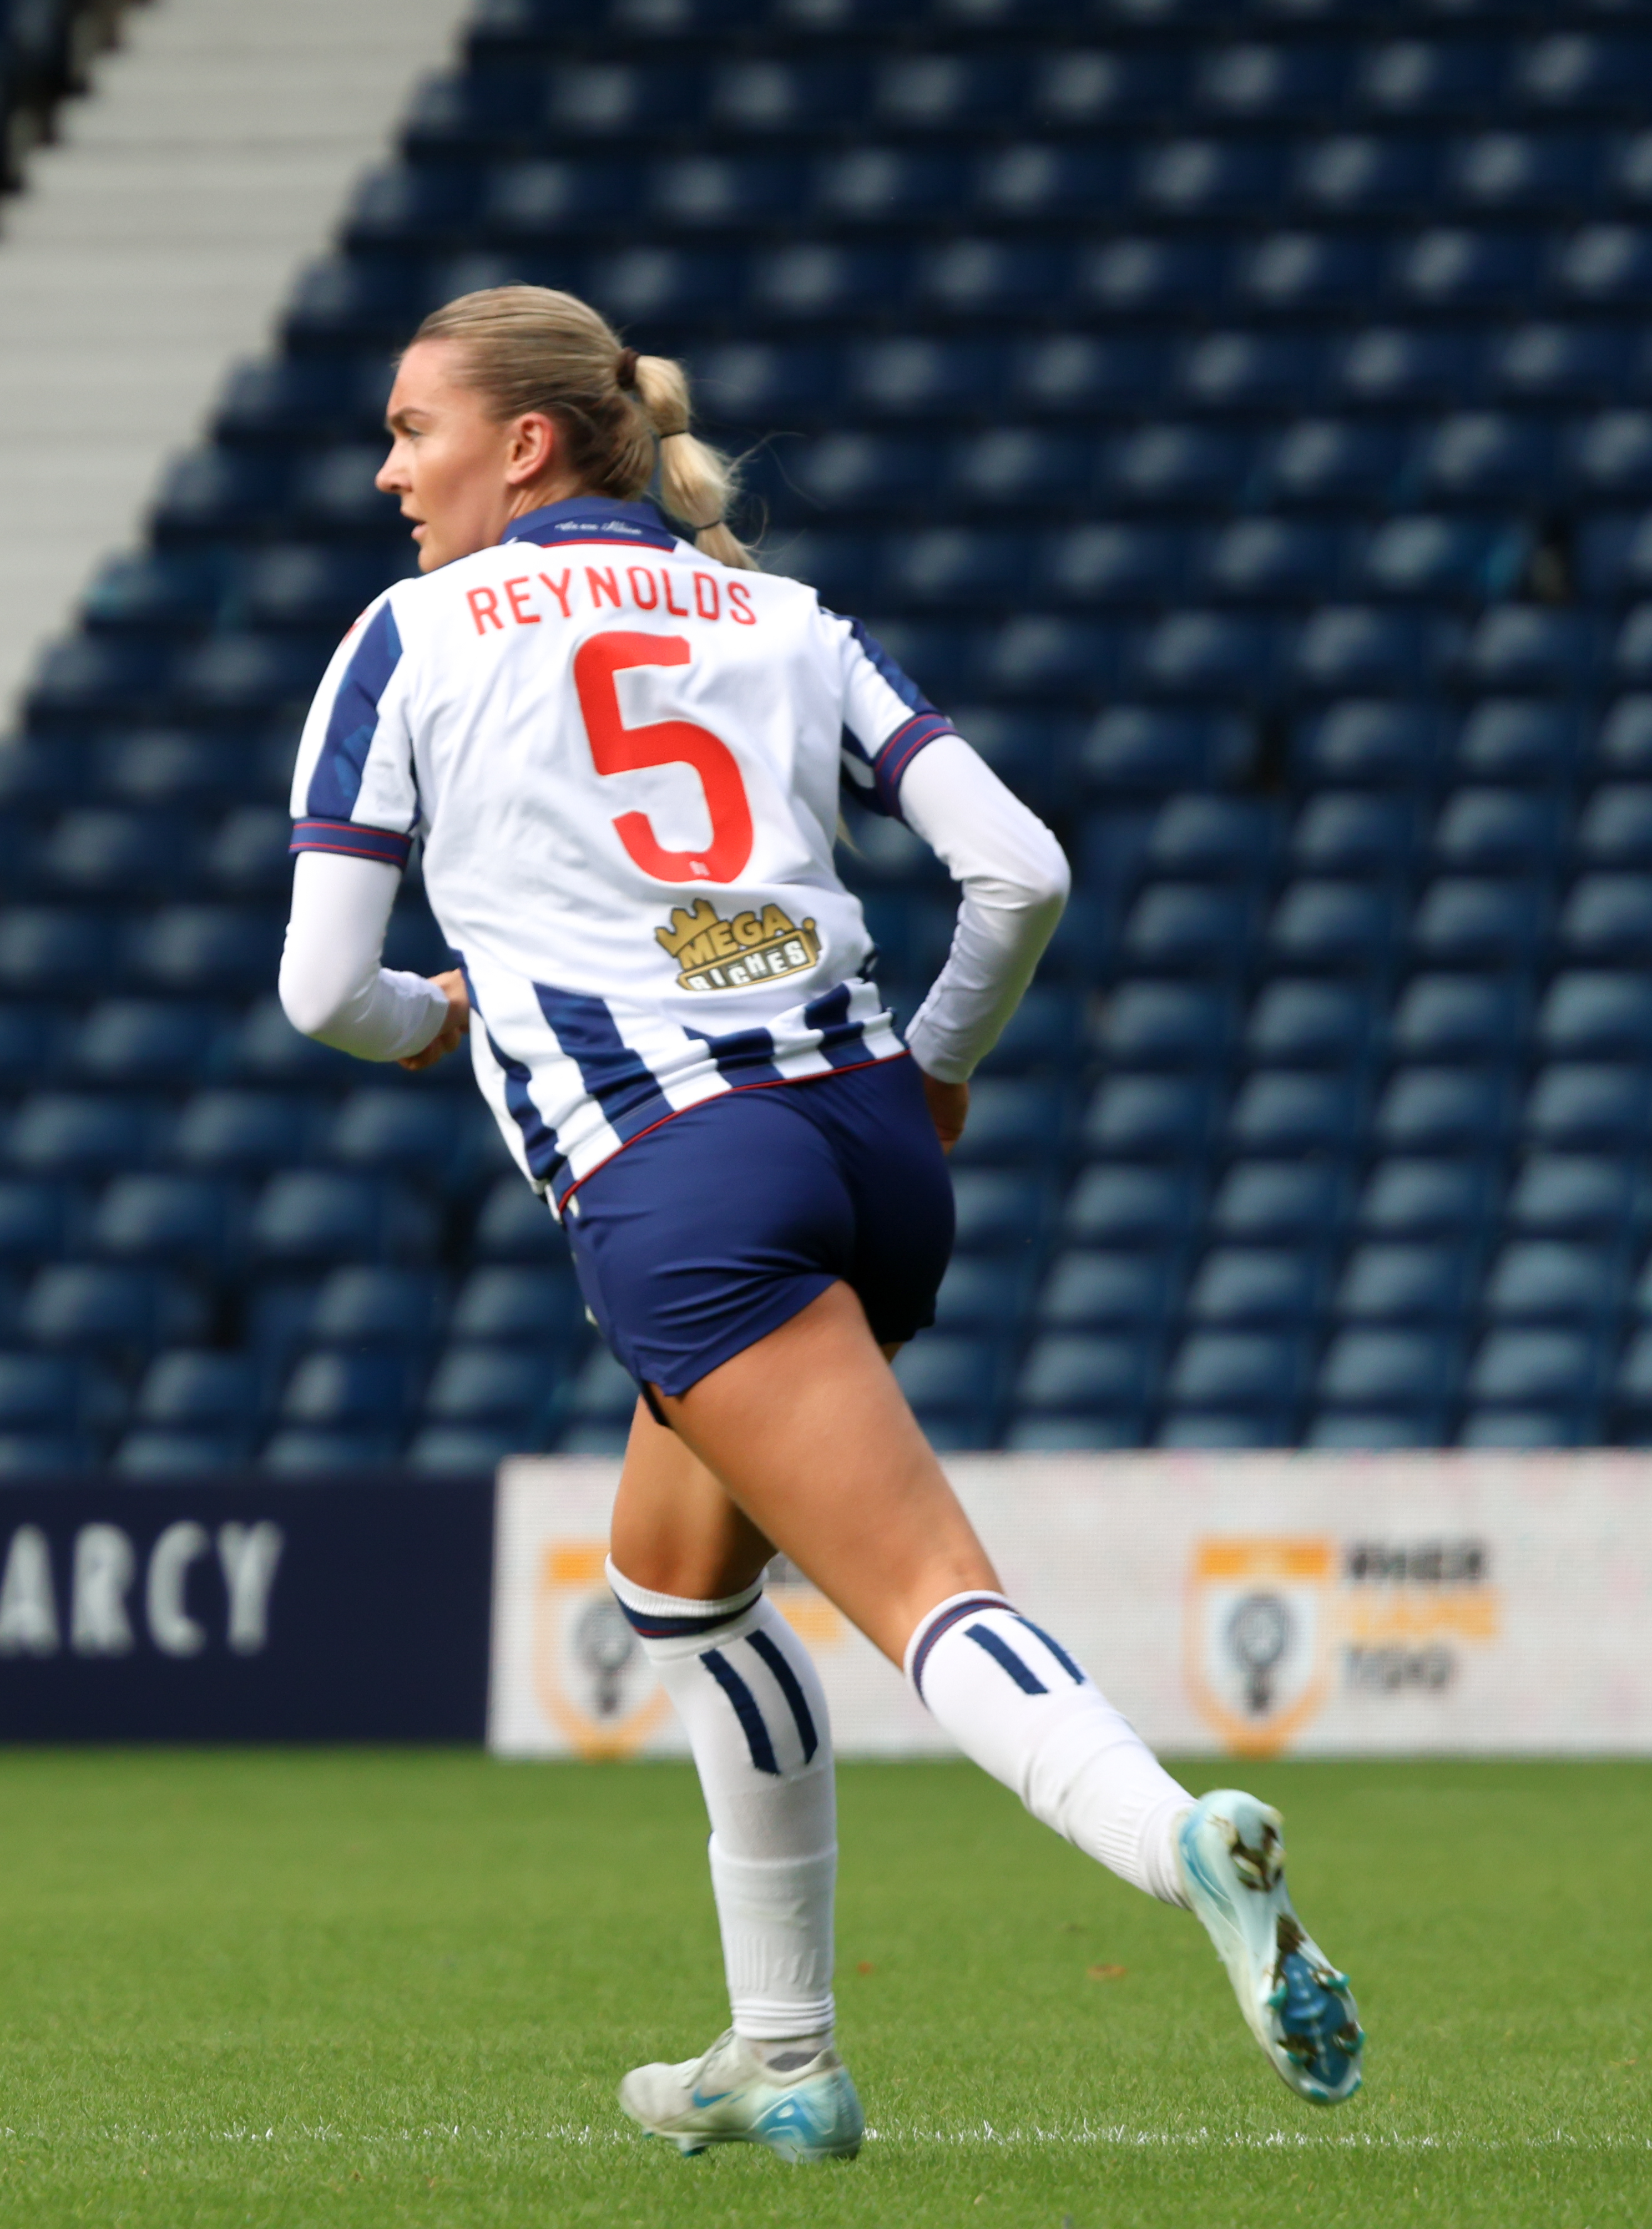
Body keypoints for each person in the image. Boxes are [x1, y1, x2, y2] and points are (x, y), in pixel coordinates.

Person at [275, 285, 1364, 2160]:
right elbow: (1017, 868)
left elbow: (321, 992)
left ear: (522, 443)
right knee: (674, 1586)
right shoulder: (782, 617)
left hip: (682, 1177)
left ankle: (1172, 1833)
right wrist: (938, 1063)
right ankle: (781, 2054)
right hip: (866, 1140)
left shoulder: (407, 638)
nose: (388, 472)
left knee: (926, 1590)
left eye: (410, 429)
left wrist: (439, 1017)